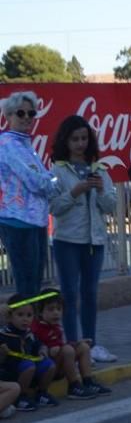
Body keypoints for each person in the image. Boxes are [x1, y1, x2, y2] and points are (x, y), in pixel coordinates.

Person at [48, 115, 118, 363]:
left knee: (90, 293)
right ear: (65, 141)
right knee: (69, 293)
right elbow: (54, 207)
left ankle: (91, 344)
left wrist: (99, 190)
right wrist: (75, 192)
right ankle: (71, 345)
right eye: (75, 139)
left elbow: (110, 205)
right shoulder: (57, 170)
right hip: (67, 240)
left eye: (84, 138)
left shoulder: (98, 169)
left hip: (94, 242)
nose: (80, 144)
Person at [0, 91, 59, 297]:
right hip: (18, 221)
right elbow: (36, 182)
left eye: (31, 113)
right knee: (27, 286)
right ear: (8, 116)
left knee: (34, 284)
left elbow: (44, 179)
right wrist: (55, 179)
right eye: (20, 113)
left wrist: (50, 180)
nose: (27, 117)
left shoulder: (24, 144)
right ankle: (23, 329)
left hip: (36, 221)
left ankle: (32, 328)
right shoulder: (8, 143)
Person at [31, 288, 110, 398]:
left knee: (83, 347)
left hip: (58, 365)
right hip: (47, 370)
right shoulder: (37, 328)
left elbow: (59, 345)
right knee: (68, 350)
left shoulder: (55, 327)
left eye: (59, 309)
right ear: (40, 312)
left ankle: (88, 381)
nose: (56, 313)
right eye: (51, 309)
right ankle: (73, 385)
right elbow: (50, 350)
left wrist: (75, 343)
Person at [0, 293, 58, 411]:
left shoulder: (28, 333)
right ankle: (20, 397)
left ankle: (42, 393)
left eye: (29, 315)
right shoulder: (3, 334)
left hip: (27, 366)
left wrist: (42, 350)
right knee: (29, 366)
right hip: (9, 370)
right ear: (10, 316)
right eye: (20, 315)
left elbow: (38, 344)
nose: (25, 319)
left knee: (49, 365)